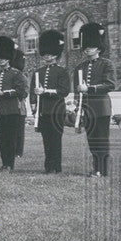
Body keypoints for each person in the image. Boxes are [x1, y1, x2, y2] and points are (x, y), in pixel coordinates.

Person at [73, 22, 116, 177]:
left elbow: (110, 85)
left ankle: (101, 170)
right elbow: (77, 90)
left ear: (98, 47)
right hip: (87, 109)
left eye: (91, 46)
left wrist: (89, 89)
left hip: (101, 108)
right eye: (86, 47)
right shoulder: (80, 67)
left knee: (101, 140)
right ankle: (96, 168)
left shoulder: (107, 64)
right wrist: (78, 109)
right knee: (92, 141)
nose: (87, 49)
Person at [31, 29, 70, 174]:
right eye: (45, 53)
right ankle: (48, 166)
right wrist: (34, 105)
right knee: (46, 139)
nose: (47, 56)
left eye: (50, 53)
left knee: (55, 139)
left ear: (56, 54)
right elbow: (32, 91)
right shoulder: (38, 72)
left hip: (57, 110)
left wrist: (46, 91)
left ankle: (56, 166)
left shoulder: (62, 71)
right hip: (43, 111)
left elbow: (63, 91)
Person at [0, 36, 27, 171]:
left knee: (10, 139)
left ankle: (9, 164)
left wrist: (4, 93)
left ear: (9, 58)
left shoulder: (16, 74)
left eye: (3, 57)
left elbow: (22, 92)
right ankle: (4, 162)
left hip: (12, 110)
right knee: (2, 139)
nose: (1, 60)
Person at [11, 49, 28, 158]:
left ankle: (18, 151)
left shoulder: (21, 75)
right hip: (9, 106)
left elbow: (24, 92)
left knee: (19, 131)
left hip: (19, 106)